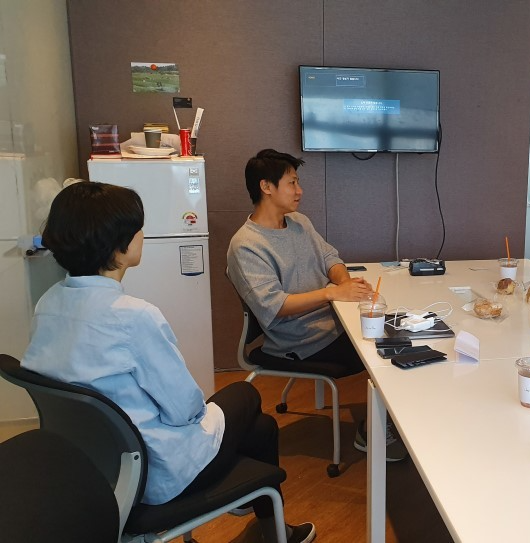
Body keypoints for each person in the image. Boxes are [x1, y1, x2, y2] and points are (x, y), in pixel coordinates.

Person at [22, 182, 315, 543]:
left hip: (91, 463)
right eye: (138, 228)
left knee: (262, 428)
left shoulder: (48, 303)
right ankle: (275, 529)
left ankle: (268, 520)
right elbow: (185, 410)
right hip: (152, 474)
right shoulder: (132, 317)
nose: (142, 235)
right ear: (120, 243)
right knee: (246, 395)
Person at [226, 149, 405, 461]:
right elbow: (274, 306)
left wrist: (345, 285)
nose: (299, 190)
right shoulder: (246, 246)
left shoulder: (298, 222)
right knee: (393, 347)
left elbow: (330, 258)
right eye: (292, 183)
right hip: (300, 340)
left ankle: (394, 419)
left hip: (335, 321)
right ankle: (373, 433)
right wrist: (332, 294)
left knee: (402, 325)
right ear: (266, 187)